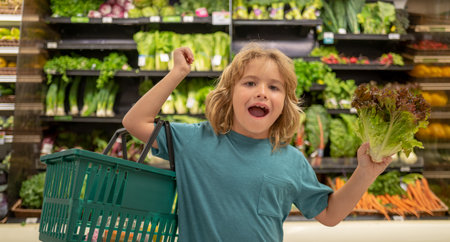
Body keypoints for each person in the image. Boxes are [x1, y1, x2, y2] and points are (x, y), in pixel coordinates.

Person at [122, 44, 392, 241]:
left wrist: (365, 173)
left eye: (274, 87)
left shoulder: (292, 161)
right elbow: (135, 122)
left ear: (285, 104)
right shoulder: (193, 140)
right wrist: (178, 72)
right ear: (228, 95)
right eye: (250, 83)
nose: (262, 93)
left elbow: (330, 214)